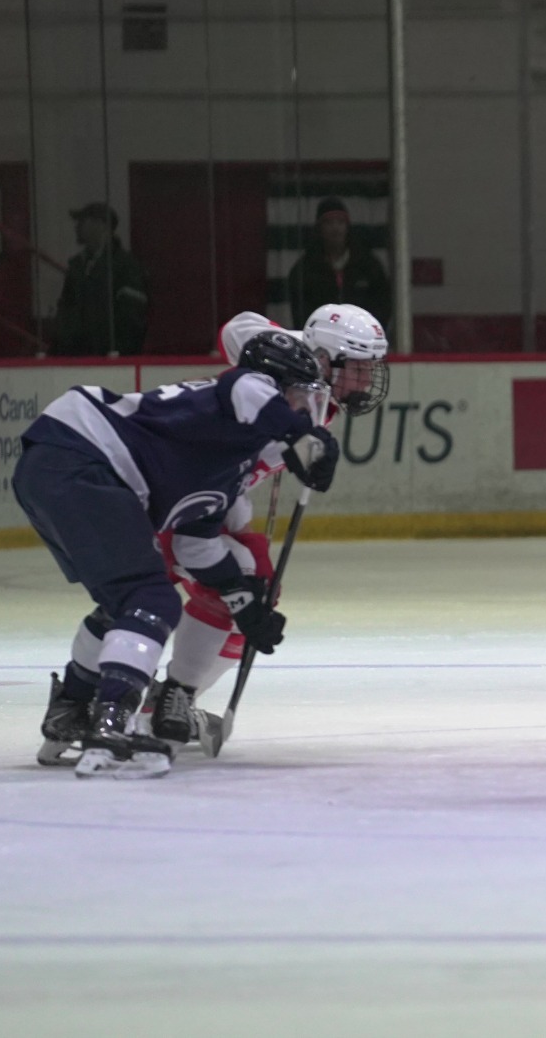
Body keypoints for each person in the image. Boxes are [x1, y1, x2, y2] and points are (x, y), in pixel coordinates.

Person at [17, 330, 341, 779]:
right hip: (83, 454)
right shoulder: (242, 393)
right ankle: (109, 724)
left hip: (59, 463)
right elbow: (247, 387)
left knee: (126, 601)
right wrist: (305, 437)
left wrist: (243, 601)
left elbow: (196, 543)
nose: (307, 409)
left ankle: (72, 707)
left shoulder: (232, 464)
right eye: (300, 397)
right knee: (150, 599)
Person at [127, 304, 391, 755]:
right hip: (177, 491)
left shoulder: (320, 397)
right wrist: (296, 347)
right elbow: (237, 327)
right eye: (359, 370)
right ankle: (154, 697)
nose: (366, 383)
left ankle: (169, 699)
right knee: (231, 586)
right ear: (326, 359)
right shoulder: (285, 367)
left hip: (218, 495)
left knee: (256, 597)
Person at [271, 197, 392, 335]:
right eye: (329, 223)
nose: (336, 228)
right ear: (319, 228)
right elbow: (301, 316)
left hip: (363, 339)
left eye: (340, 222)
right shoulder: (304, 270)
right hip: (322, 341)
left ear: (348, 226)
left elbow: (383, 306)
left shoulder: (369, 266)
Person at [49, 202, 149, 356]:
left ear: (101, 225)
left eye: (83, 221)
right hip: (76, 358)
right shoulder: (77, 266)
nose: (77, 227)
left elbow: (131, 320)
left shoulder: (125, 267)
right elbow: (66, 311)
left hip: (108, 359)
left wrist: (118, 356)